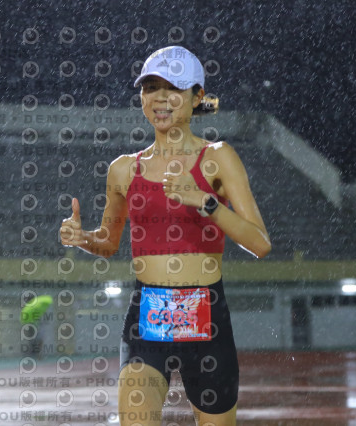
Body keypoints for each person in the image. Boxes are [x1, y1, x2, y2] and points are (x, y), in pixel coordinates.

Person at [60, 46, 271, 426]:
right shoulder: (123, 170)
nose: (159, 98)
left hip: (208, 320)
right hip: (146, 319)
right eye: (150, 87)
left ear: (197, 97)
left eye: (173, 88)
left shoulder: (218, 157)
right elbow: (108, 244)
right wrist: (82, 239)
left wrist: (205, 201)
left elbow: (259, 243)